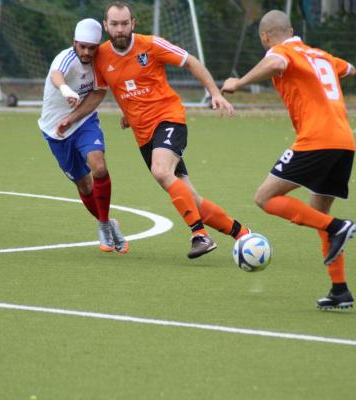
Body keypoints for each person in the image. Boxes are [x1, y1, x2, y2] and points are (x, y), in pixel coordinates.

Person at [58, 1, 250, 259]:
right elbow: (109, 89)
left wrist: (214, 92)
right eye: (114, 24)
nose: (120, 29)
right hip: (143, 135)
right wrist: (121, 113)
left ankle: (199, 235)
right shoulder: (101, 57)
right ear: (106, 26)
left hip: (169, 119)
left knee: (161, 170)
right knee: (191, 199)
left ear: (133, 23)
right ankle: (242, 234)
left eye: (125, 23)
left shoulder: (151, 45)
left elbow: (190, 62)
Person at [222, 10, 356, 309]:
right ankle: (339, 290)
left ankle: (339, 227)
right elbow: (349, 69)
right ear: (292, 28)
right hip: (345, 142)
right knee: (318, 211)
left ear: (265, 37)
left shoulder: (282, 52)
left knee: (265, 197)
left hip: (316, 140)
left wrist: (239, 82)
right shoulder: (321, 55)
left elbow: (276, 62)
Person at [38, 18, 128, 254]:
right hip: (55, 130)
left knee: (98, 167)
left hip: (84, 121)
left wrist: (74, 116)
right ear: (74, 43)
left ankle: (102, 223)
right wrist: (66, 90)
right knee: (84, 184)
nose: (87, 52)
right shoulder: (65, 57)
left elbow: (98, 93)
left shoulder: (101, 62)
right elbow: (57, 74)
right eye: (82, 47)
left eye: (92, 47)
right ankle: (109, 224)